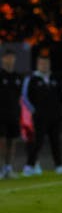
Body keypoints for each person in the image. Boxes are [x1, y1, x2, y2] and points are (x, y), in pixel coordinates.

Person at [20, 49, 62, 175]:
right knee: (38, 142)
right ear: (37, 64)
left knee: (55, 141)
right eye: (42, 63)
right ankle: (30, 166)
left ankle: (59, 165)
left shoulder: (55, 79)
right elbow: (25, 97)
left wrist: (61, 111)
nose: (44, 66)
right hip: (39, 117)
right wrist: (34, 111)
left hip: (54, 116)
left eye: (46, 63)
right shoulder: (32, 79)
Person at [1, 48, 24, 178]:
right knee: (2, 142)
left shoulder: (17, 77)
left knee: (12, 142)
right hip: (1, 115)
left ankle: (8, 168)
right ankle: (1, 168)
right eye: (7, 57)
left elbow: (20, 96)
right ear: (3, 59)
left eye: (12, 57)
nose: (10, 60)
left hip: (13, 114)